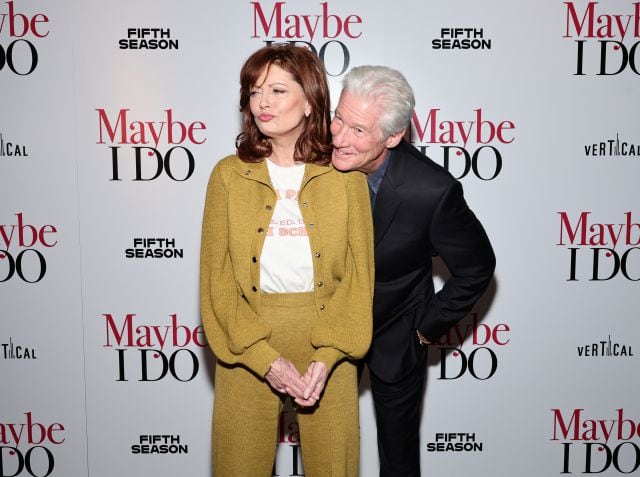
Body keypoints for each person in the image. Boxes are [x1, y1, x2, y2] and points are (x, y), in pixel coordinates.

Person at [199, 44, 374, 477]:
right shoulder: (227, 175)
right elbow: (217, 280)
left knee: (337, 468)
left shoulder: (345, 178)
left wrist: (330, 352)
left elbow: (358, 278)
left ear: (311, 98)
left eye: (277, 90)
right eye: (254, 91)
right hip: (247, 346)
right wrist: (264, 359)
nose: (262, 102)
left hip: (327, 345)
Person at [331, 65, 496, 477]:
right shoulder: (316, 163)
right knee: (326, 455)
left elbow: (477, 267)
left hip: (395, 337)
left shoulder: (432, 191)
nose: (338, 137)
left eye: (357, 130)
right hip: (326, 337)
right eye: (338, 118)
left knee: (399, 462)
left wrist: (424, 329)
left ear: (392, 136)